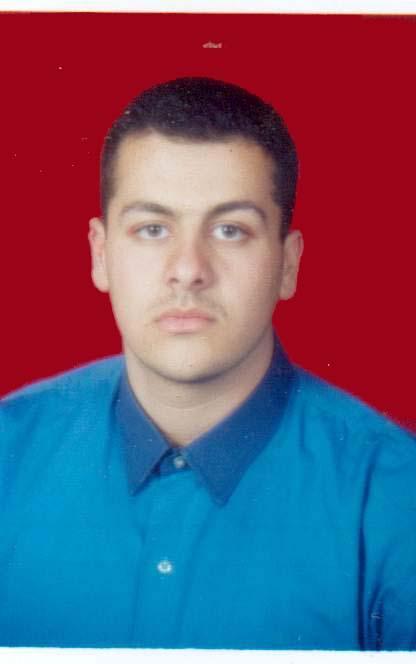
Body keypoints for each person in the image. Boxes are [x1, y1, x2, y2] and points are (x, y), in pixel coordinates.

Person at [0, 77, 415, 651]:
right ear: (101, 254)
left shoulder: (395, 497)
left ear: (287, 264)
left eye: (229, 230)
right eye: (152, 229)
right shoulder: (9, 453)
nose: (188, 269)